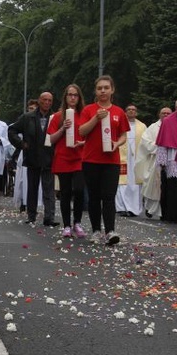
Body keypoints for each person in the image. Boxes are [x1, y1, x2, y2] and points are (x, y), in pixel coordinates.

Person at [78, 75, 130, 245]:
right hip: (91, 160)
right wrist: (96, 118)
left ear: (112, 90)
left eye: (106, 88)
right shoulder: (89, 110)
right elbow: (82, 131)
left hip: (111, 161)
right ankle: (95, 231)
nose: (103, 91)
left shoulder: (119, 112)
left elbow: (123, 135)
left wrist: (117, 143)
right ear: (96, 90)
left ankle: (110, 231)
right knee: (93, 197)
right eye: (99, 88)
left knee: (108, 196)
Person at [8, 92, 57, 226]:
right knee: (32, 188)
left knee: (49, 189)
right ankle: (31, 215)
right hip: (32, 156)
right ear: (39, 101)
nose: (47, 102)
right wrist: (21, 144)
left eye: (49, 100)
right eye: (44, 100)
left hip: (49, 157)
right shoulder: (27, 117)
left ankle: (49, 217)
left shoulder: (55, 117)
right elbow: (12, 130)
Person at [47, 84, 87, 238]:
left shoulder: (84, 115)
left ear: (79, 97)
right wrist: (62, 129)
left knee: (78, 190)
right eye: (70, 94)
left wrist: (83, 143)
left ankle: (77, 222)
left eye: (75, 95)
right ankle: (67, 225)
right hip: (63, 157)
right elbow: (51, 139)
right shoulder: (57, 116)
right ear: (65, 97)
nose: (72, 97)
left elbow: (89, 136)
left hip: (79, 157)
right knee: (65, 192)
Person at [135, 106, 171, 220]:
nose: (166, 115)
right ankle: (150, 208)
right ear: (159, 114)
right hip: (154, 160)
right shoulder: (153, 127)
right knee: (152, 185)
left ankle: (165, 211)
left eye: (168, 113)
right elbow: (145, 141)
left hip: (171, 160)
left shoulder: (174, 126)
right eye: (163, 113)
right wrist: (160, 147)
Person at [115, 105, 147, 217]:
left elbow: (146, 142)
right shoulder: (120, 124)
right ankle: (121, 207)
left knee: (135, 185)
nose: (131, 111)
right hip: (123, 157)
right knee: (121, 182)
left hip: (136, 158)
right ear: (125, 112)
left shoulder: (142, 126)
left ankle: (134, 208)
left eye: (134, 110)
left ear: (136, 113)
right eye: (129, 109)